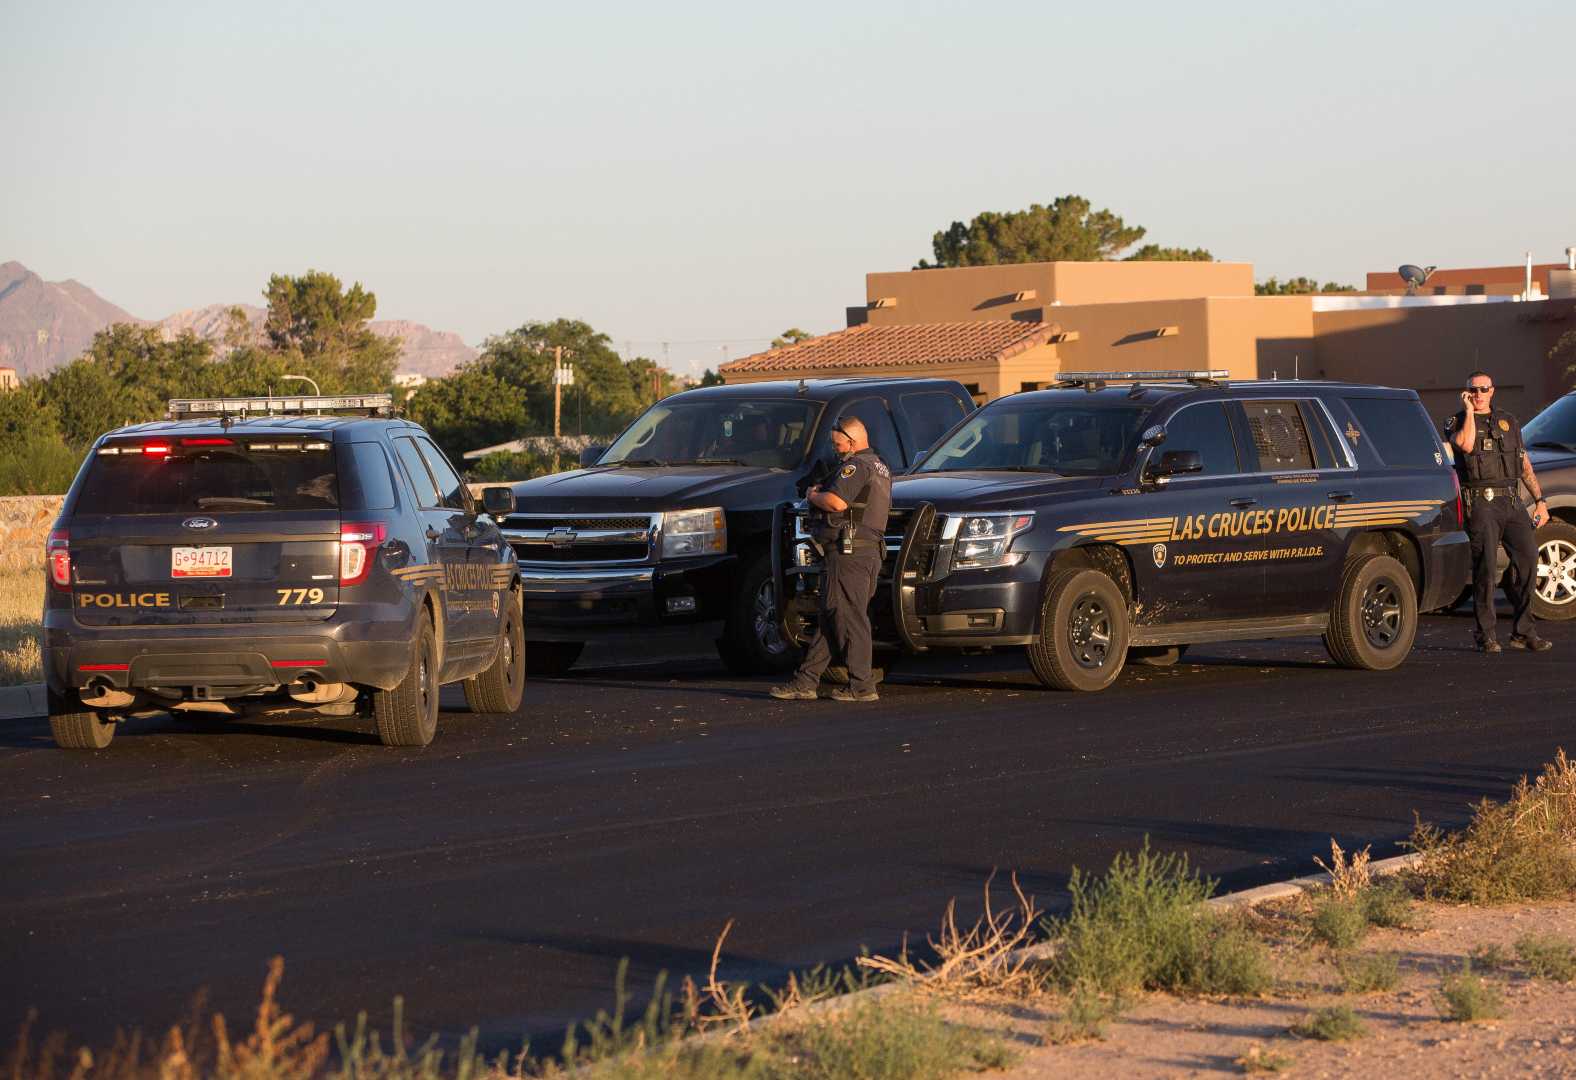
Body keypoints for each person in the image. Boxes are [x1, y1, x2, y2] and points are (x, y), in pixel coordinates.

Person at [770, 415, 892, 702]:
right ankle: (806, 681)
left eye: (838, 444)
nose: (836, 449)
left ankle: (862, 686)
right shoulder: (880, 466)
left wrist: (814, 495)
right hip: (865, 553)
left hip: (850, 554)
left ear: (852, 440)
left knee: (851, 617)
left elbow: (837, 502)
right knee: (830, 615)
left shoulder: (856, 466)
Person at [1446, 371, 1552, 653]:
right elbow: (1466, 445)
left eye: (1484, 389)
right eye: (1473, 390)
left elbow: (1523, 460)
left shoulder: (1509, 421)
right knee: (1486, 570)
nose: (1479, 394)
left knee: (1529, 560)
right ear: (1466, 393)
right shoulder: (1457, 421)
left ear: (1493, 391)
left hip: (1512, 501)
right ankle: (1486, 635)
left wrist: (1539, 500)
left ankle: (1523, 632)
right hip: (1481, 503)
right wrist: (1469, 412)